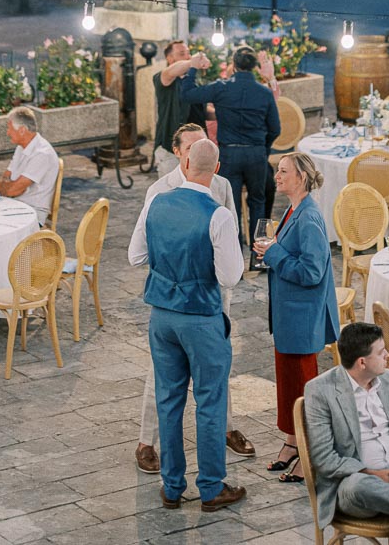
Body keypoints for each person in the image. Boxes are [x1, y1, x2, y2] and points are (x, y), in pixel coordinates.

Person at [129, 123, 255, 474]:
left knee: (216, 377)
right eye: (191, 147)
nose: (196, 151)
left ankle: (179, 477)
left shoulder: (223, 186)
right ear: (179, 156)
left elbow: (232, 240)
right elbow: (230, 269)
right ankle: (150, 443)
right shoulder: (158, 191)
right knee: (175, 384)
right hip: (184, 302)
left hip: (206, 301)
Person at [253, 151, 339, 481]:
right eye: (277, 170)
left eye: (283, 171)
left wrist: (274, 253)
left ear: (301, 177)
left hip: (302, 317)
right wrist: (275, 250)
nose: (277, 176)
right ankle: (291, 442)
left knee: (304, 388)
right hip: (289, 315)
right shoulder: (292, 210)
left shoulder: (309, 218)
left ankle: (309, 454)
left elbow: (313, 271)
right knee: (288, 382)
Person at [304, 321, 389, 530]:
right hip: (358, 481)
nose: (388, 355)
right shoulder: (320, 391)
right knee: (357, 487)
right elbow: (323, 458)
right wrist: (371, 473)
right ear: (362, 362)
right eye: (381, 352)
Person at [180, 45, 280, 252]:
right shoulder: (264, 93)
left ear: (233, 65)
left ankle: (233, 257)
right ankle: (258, 258)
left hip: (229, 154)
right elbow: (275, 129)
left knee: (230, 207)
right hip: (255, 153)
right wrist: (263, 148)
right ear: (254, 67)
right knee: (258, 204)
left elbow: (187, 94)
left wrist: (193, 68)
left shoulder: (221, 88)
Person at [152, 43, 208, 176]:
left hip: (195, 151)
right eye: (182, 54)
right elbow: (172, 70)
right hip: (171, 150)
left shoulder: (192, 82)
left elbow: (200, 111)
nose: (188, 57)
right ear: (169, 58)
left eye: (188, 53)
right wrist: (193, 62)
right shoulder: (165, 77)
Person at [0, 107, 60, 225]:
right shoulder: (21, 147)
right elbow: (2, 182)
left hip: (32, 214)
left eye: (10, 128)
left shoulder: (42, 153)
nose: (8, 132)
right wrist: (10, 188)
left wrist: (9, 188)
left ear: (22, 130)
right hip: (15, 206)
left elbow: (12, 190)